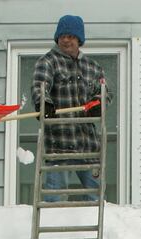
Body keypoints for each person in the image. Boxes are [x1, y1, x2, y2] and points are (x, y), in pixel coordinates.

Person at [31, 15, 107, 201]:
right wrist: (44, 104)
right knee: (54, 200)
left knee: (96, 198)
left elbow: (106, 92)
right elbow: (40, 87)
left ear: (79, 39)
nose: (66, 40)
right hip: (60, 144)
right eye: (62, 36)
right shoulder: (48, 62)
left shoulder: (92, 67)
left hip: (88, 146)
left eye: (71, 36)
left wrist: (98, 103)